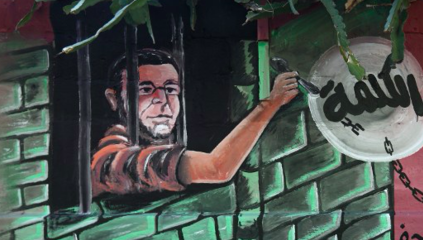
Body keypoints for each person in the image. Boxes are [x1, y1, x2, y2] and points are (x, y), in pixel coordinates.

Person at [91, 49, 298, 196]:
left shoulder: (155, 143)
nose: (163, 101)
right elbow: (217, 168)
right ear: (113, 99)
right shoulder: (111, 160)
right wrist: (271, 103)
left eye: (170, 89)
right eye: (145, 89)